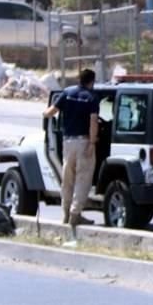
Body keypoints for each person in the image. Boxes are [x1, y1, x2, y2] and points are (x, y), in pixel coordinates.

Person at [43, 69, 100, 227]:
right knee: (83, 178)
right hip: (84, 142)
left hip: (67, 142)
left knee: (67, 179)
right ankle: (75, 214)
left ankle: (66, 213)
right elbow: (93, 122)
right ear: (92, 81)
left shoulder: (67, 93)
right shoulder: (91, 97)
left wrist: (45, 113)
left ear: (79, 79)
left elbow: (50, 112)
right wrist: (92, 143)